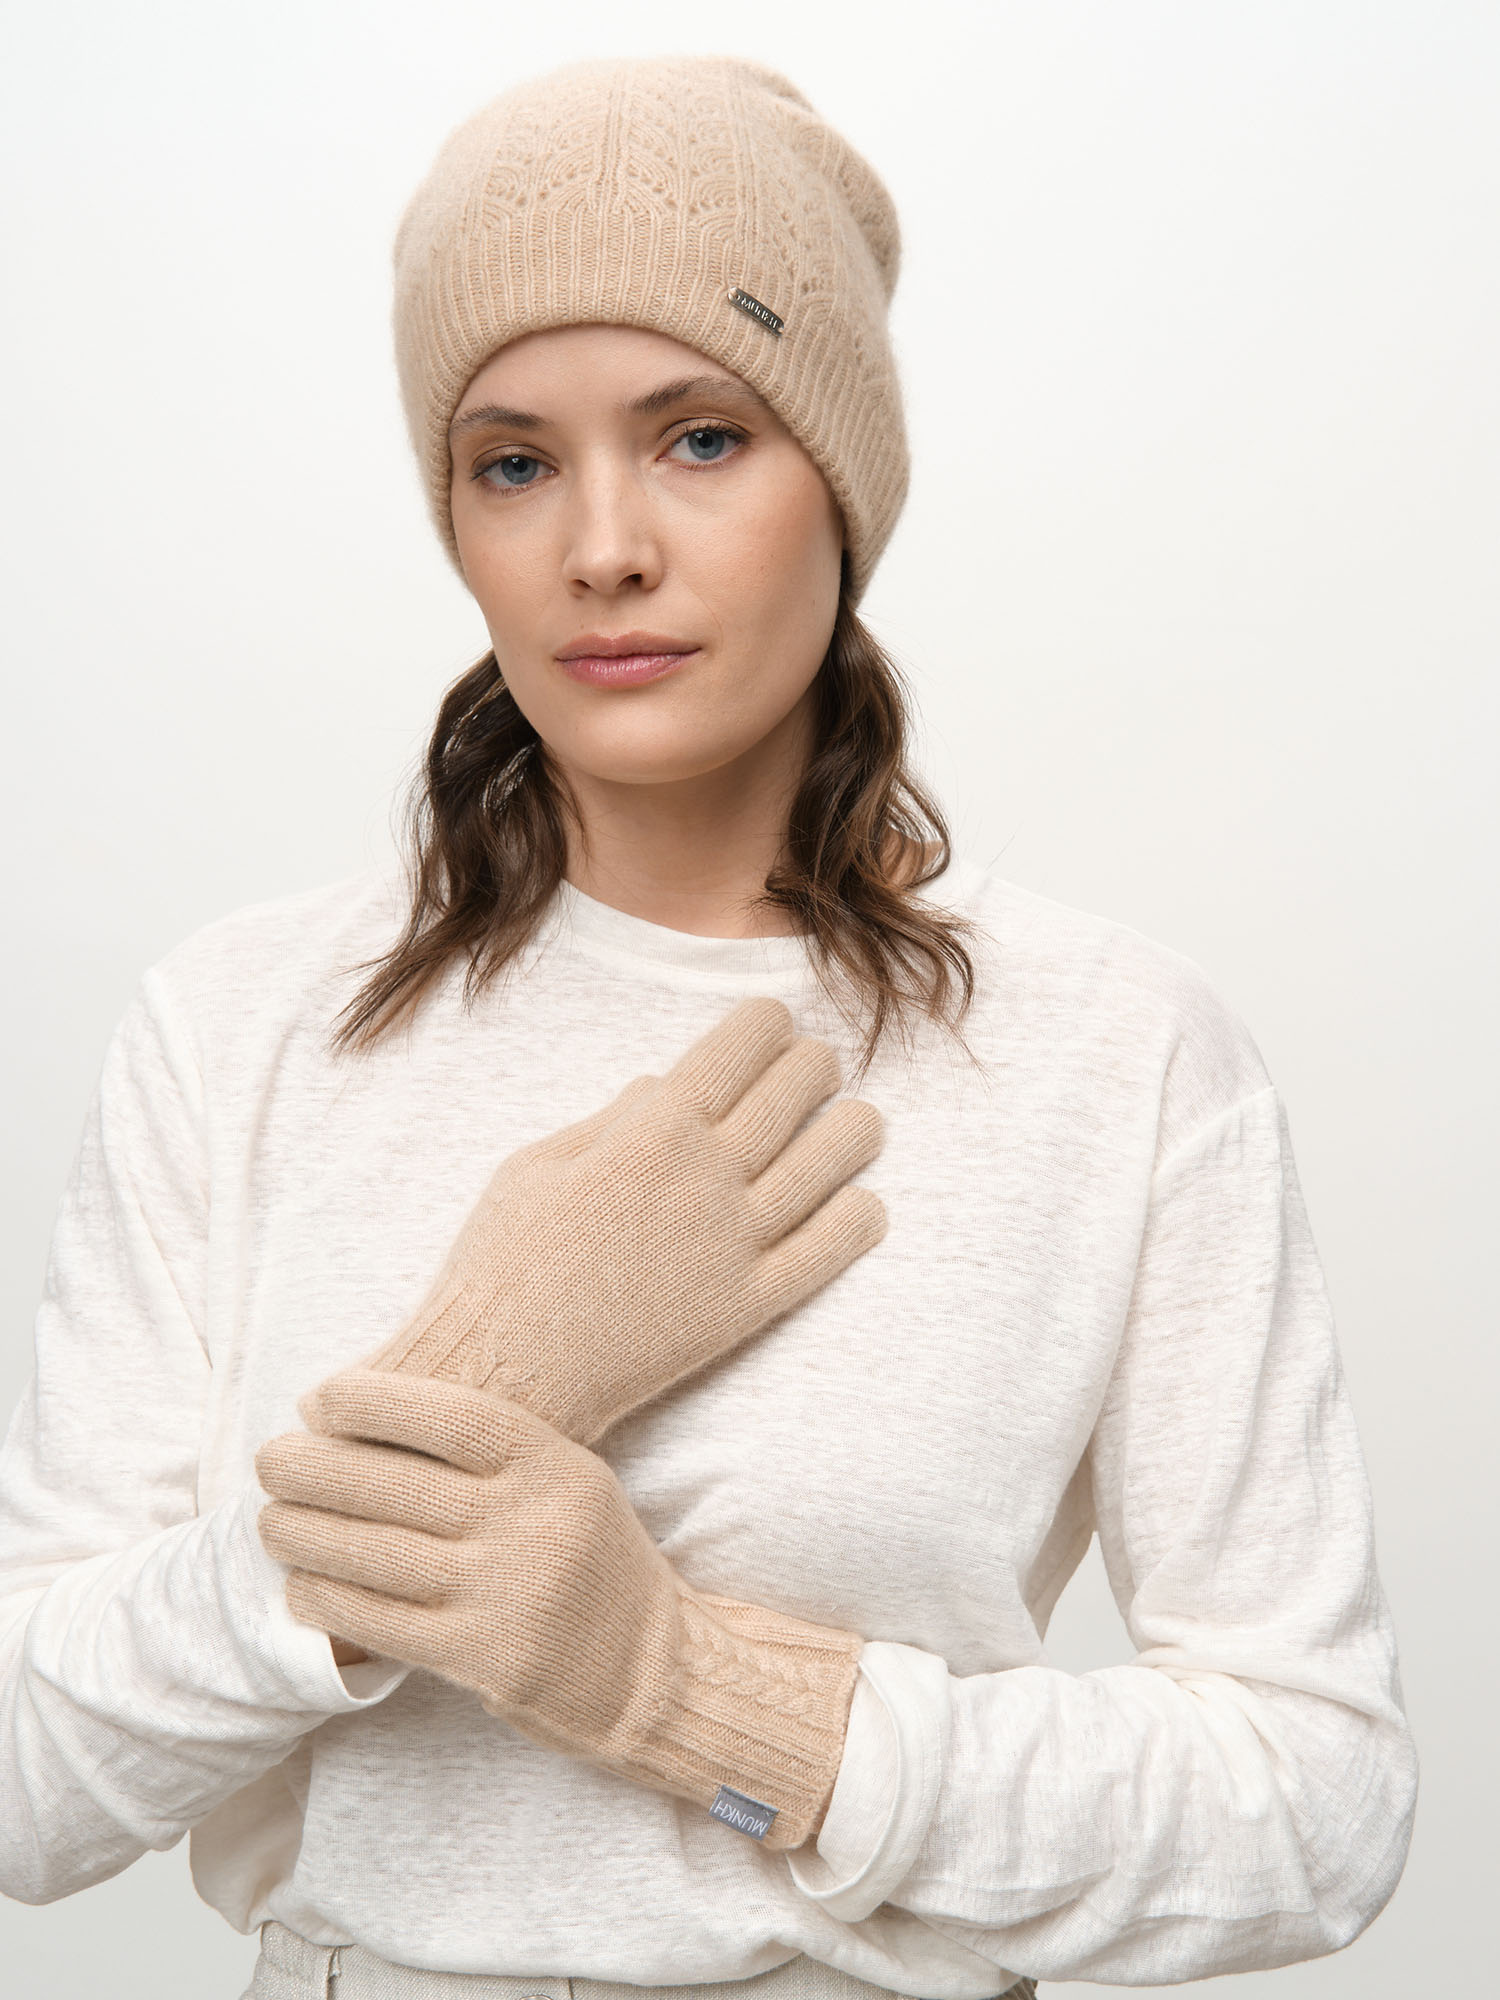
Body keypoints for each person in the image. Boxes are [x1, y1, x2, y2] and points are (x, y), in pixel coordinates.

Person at [0, 51, 1416, 2000]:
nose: (603, 547)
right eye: (513, 462)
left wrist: (686, 1687)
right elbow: (26, 1788)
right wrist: (479, 1383)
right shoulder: (237, 1027)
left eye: (701, 437)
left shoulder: (1121, 1053)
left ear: (841, 478)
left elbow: (1317, 1807)